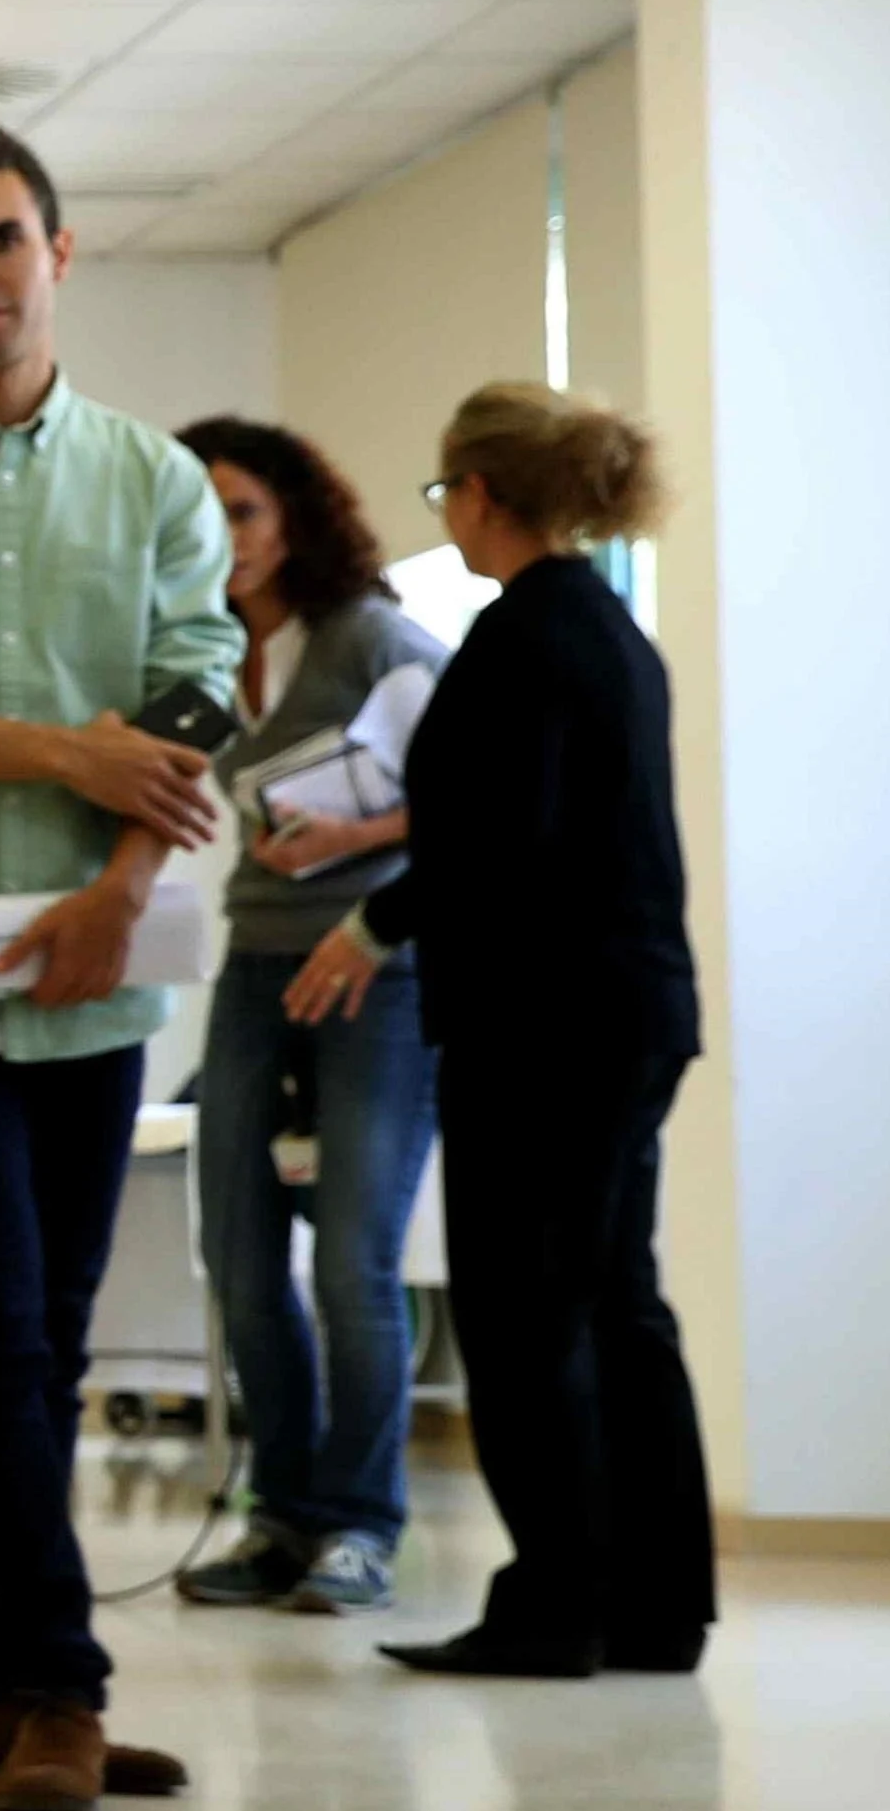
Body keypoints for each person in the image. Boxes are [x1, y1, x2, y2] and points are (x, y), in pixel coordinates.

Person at [0, 118, 237, 1811]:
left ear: (60, 251)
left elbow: (196, 690)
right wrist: (77, 762)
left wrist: (121, 879)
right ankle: (66, 1694)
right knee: (1, 1333)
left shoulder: (156, 480)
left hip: (105, 979)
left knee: (47, 1343)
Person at [290, 385, 708, 1681]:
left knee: (529, 1315)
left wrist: (373, 925)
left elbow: (497, 841)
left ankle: (553, 1608)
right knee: (614, 1305)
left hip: (548, 1024)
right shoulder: (604, 629)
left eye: (446, 494)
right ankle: (653, 1604)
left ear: (481, 493)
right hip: (625, 1011)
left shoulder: (528, 638)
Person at [170, 416, 444, 1619]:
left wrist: (358, 838)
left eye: (238, 510)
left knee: (349, 1261)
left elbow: (477, 797)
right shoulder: (194, 648)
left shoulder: (370, 637)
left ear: (292, 516)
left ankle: (359, 1523)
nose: (221, 537)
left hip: (376, 966)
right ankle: (276, 1513)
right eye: (199, 513)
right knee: (236, 1253)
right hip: (253, 963)